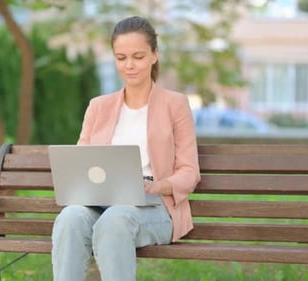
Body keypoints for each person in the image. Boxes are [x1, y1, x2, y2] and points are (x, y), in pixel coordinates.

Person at [51, 16, 201, 281]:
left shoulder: (175, 104)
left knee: (116, 219)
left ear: (155, 55)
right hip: (99, 200)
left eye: (138, 56)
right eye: (121, 58)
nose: (129, 65)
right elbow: (81, 160)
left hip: (153, 205)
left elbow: (190, 172)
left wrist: (158, 186)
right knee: (70, 218)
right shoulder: (99, 106)